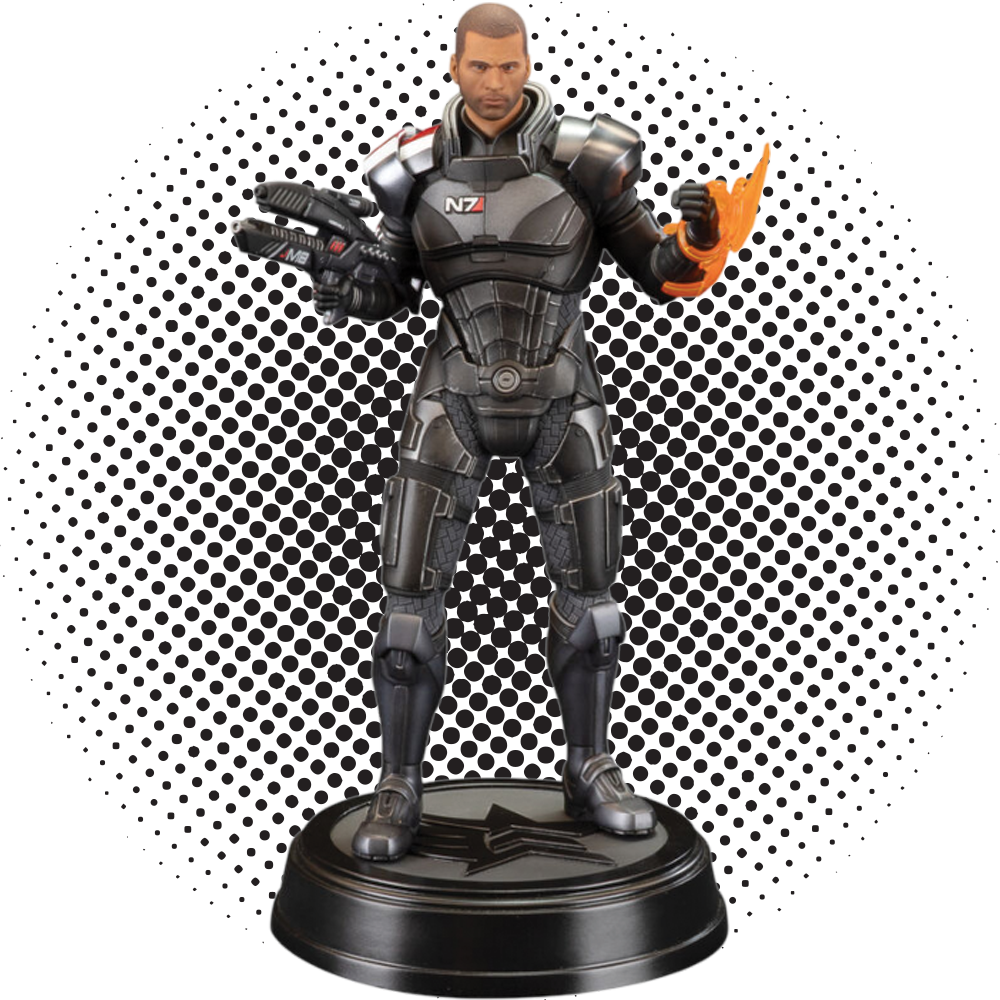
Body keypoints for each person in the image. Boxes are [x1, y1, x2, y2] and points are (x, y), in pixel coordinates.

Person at [312, 1, 725, 861]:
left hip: (562, 396)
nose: (496, 83)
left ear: (528, 63)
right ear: (454, 66)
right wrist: (341, 273)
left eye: (510, 65)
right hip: (451, 394)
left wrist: (700, 235)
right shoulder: (411, 168)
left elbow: (660, 271)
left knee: (594, 601)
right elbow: (389, 292)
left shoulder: (589, 159)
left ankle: (590, 765)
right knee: (407, 605)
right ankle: (398, 781)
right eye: (480, 66)